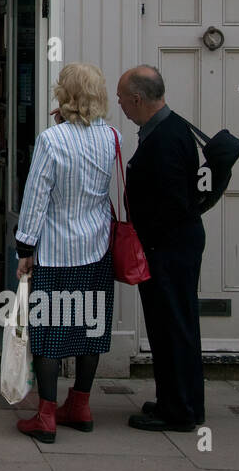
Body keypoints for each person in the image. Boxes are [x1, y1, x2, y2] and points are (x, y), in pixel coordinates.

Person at [13, 62, 118, 443]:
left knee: (49, 334)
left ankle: (45, 416)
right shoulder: (113, 138)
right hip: (97, 247)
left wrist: (25, 245)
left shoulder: (52, 140)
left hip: (56, 251)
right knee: (90, 328)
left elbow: (36, 196)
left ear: (64, 96)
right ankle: (81, 405)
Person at [116, 64, 206, 432]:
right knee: (175, 325)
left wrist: (146, 238)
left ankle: (179, 410)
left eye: (122, 100)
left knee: (172, 327)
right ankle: (179, 399)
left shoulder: (165, 137)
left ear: (138, 99)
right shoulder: (169, 127)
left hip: (167, 249)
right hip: (171, 246)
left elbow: (171, 202)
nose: (120, 106)